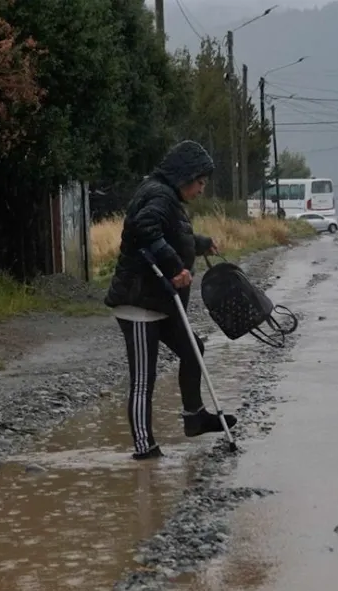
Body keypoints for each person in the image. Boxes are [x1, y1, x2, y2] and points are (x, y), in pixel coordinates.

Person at [104, 140, 238, 460]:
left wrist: (200, 244)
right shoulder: (158, 195)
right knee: (143, 380)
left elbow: (172, 233)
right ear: (185, 175)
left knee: (194, 349)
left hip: (160, 302)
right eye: (200, 182)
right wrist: (175, 266)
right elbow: (143, 227)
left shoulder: (167, 197)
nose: (201, 189)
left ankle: (194, 416)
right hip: (139, 303)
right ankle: (144, 448)